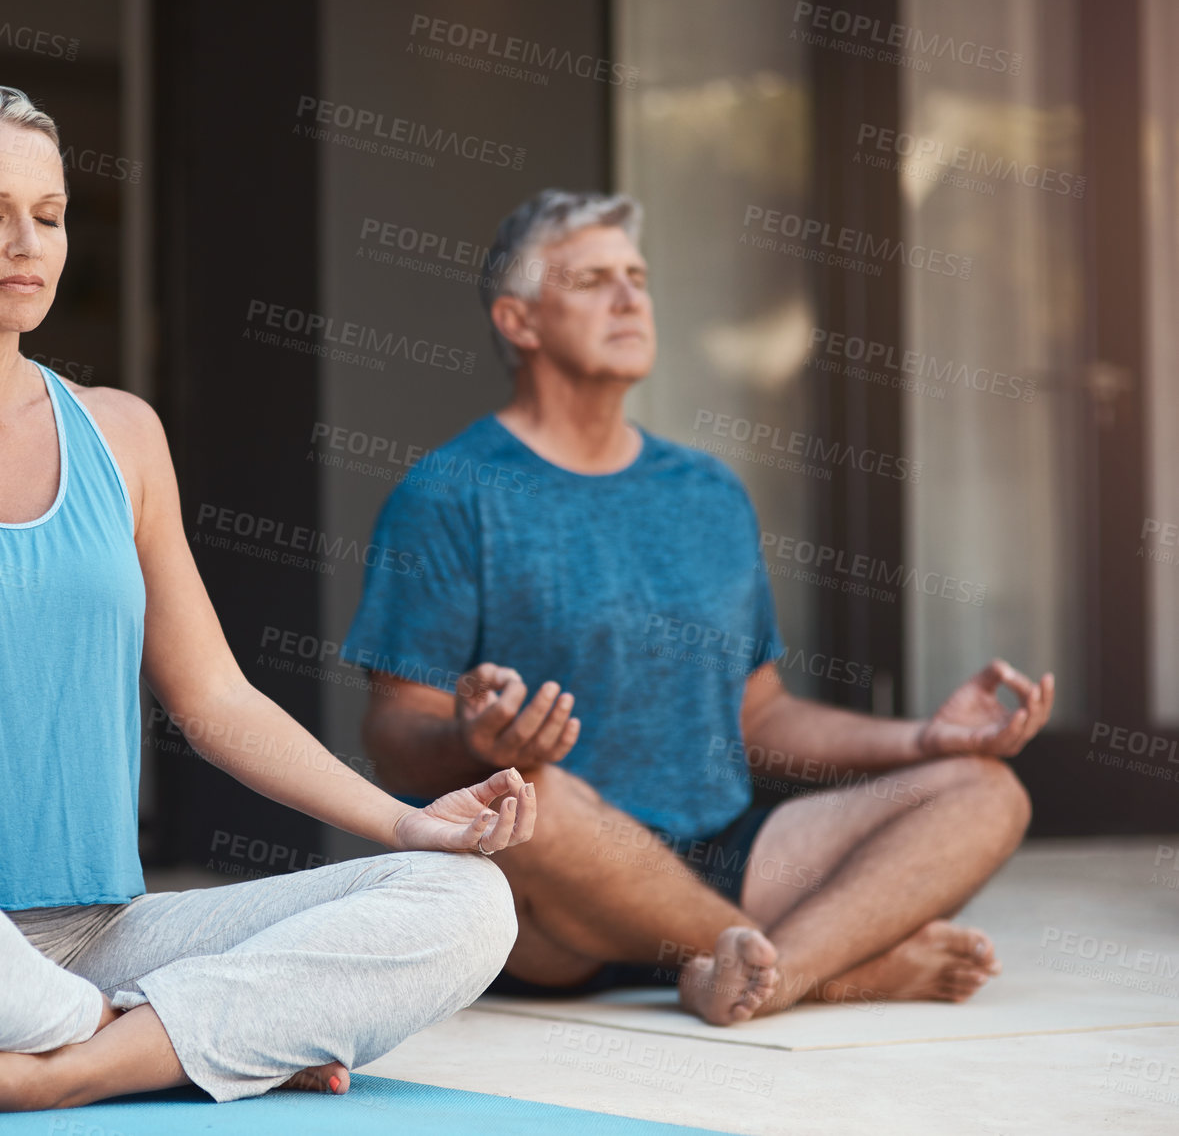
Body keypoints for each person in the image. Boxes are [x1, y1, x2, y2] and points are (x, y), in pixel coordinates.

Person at [0, 82, 532, 1119]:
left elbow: (214, 700)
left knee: (466, 899)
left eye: (51, 217)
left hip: (102, 941)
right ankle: (196, 1039)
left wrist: (406, 823)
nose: (28, 243)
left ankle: (74, 1065)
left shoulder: (121, 433)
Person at [345, 188, 1050, 1027]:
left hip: (726, 853)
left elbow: (760, 716)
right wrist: (471, 741)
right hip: (554, 887)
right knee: (526, 796)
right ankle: (826, 965)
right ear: (519, 321)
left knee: (986, 790)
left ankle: (760, 969)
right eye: (592, 279)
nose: (628, 296)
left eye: (637, 276)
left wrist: (925, 740)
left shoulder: (707, 491)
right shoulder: (449, 494)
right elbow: (392, 735)